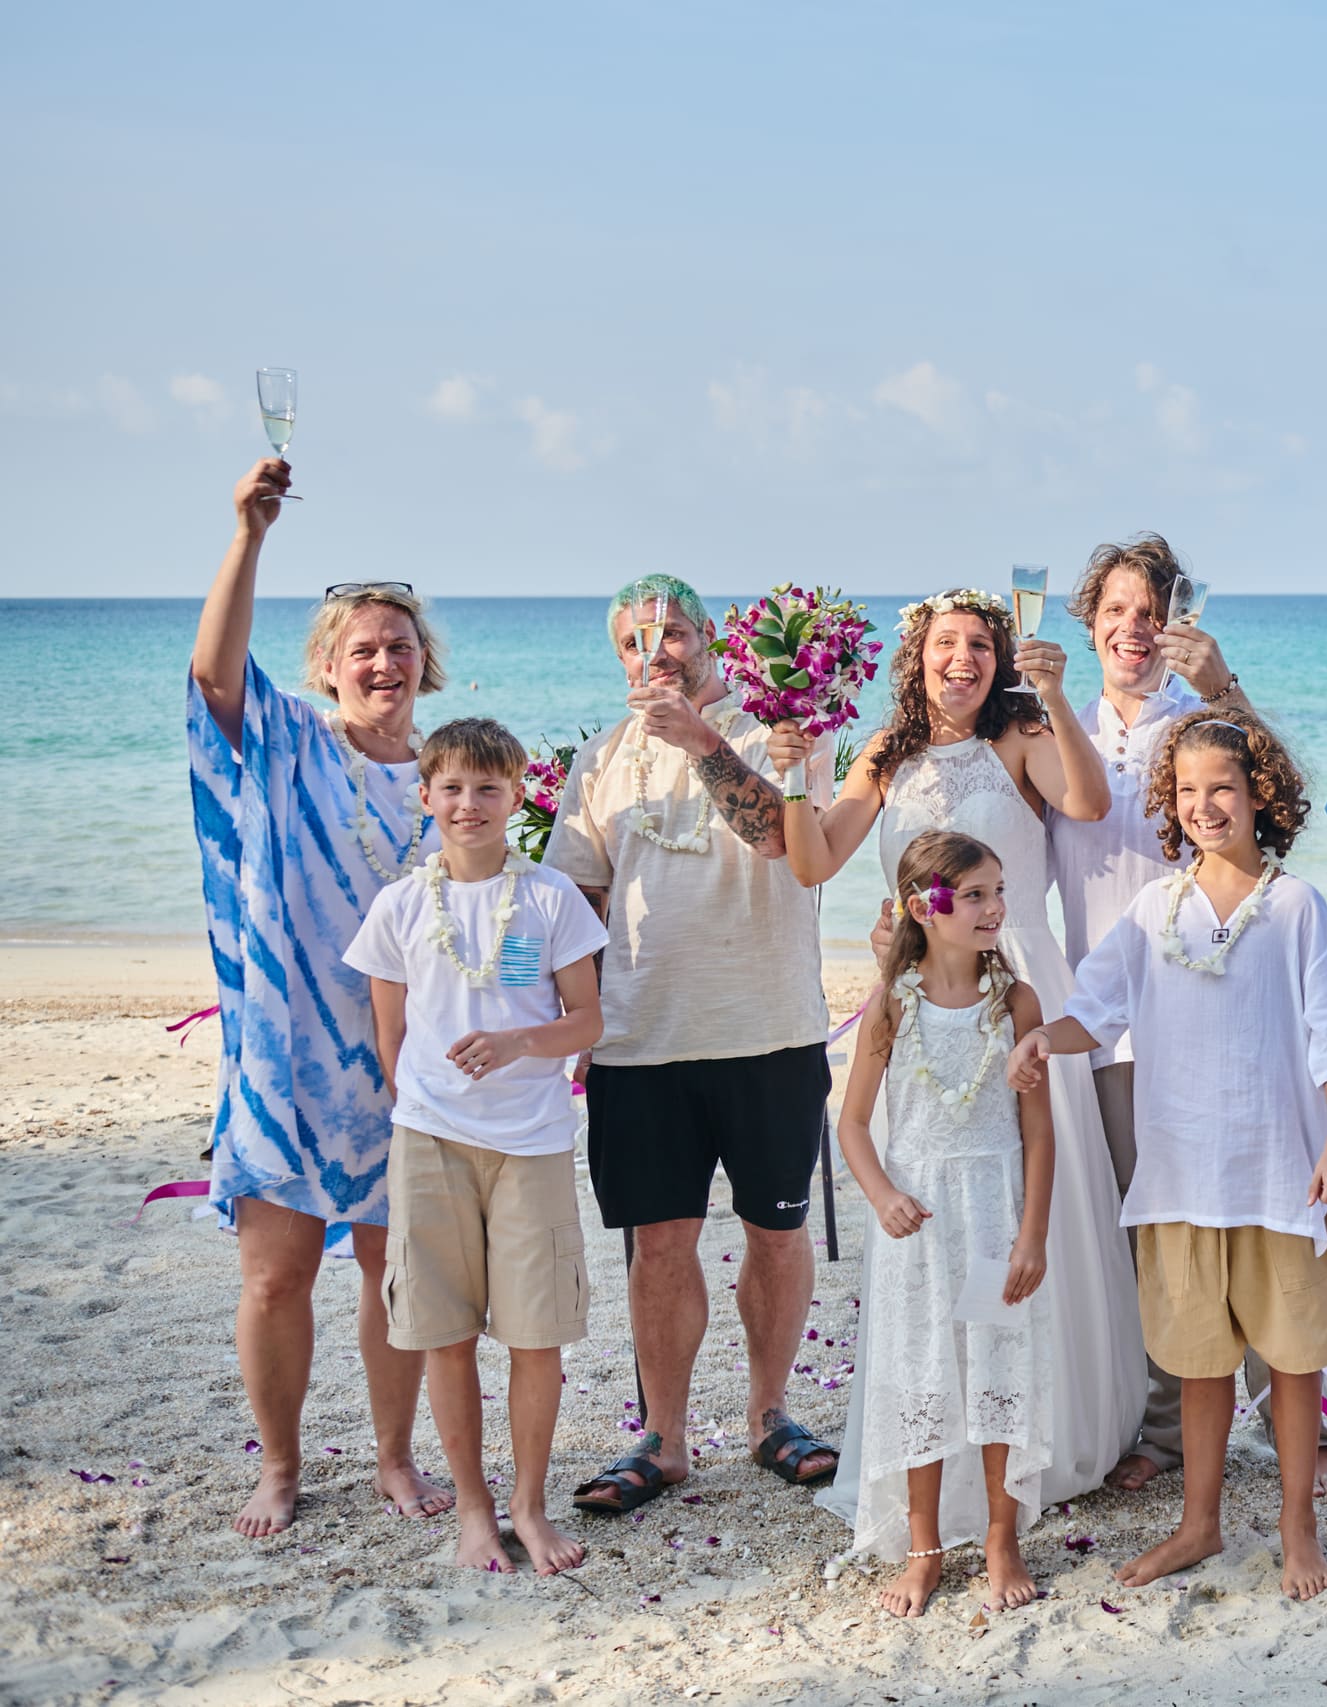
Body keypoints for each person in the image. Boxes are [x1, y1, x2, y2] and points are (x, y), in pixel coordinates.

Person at [767, 590, 1145, 1502]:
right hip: (924, 993)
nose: (963, 660)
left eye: (981, 644)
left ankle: (1053, 1432)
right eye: (947, 644)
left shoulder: (1019, 735)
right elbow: (815, 860)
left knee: (1032, 1193)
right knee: (940, 1197)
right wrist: (790, 774)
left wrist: (1052, 694)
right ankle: (937, 1434)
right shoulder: (886, 756)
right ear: (920, 656)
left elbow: (1089, 801)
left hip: (1022, 984)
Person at [1011, 713, 1327, 1599]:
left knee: (1293, 1359)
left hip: (1280, 1178)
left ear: (1260, 795)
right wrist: (1037, 1041)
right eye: (1186, 791)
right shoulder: (1154, 909)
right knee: (1199, 1361)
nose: (1204, 805)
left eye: (1222, 787)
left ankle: (1298, 1525)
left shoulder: (1294, 906)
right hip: (1180, 1178)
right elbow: (1093, 1011)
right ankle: (1200, 1523)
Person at [1041, 534, 1327, 1494]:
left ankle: (1290, 1395)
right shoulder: (1059, 725)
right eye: (1116, 613)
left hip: (1234, 1002)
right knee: (1162, 1225)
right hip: (1117, 996)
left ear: (1175, 619)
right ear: (1089, 625)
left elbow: (1275, 785)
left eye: (1151, 612)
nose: (1134, 629)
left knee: (1260, 1204)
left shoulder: (1200, 715)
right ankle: (1173, 1427)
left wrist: (1226, 686)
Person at [187, 457, 452, 1537]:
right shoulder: (290, 741)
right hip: (288, 1050)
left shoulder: (451, 775)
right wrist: (248, 534)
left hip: (407, 1062)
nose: (382, 662)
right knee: (276, 1274)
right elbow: (213, 678)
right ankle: (283, 1468)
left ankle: (393, 1459)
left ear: (424, 663)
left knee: (396, 1274)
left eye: (399, 647)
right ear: (327, 668)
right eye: (363, 650)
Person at [542, 574, 841, 1514]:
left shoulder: (784, 733)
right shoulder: (599, 758)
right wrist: (567, 1027)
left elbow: (780, 846)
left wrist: (706, 743)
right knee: (658, 1243)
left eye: (671, 634)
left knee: (776, 1231)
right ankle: (664, 1439)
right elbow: (576, 908)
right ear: (617, 656)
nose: (655, 652)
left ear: (710, 639)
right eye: (635, 641)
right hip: (639, 1042)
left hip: (769, 1028)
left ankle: (770, 1414)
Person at [343, 718, 609, 1574]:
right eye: (452, 788)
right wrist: (430, 1104)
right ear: (426, 798)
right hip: (430, 1142)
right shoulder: (400, 905)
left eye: (488, 789)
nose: (469, 804)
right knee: (443, 1332)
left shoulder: (550, 897)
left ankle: (529, 1506)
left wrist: (518, 1044)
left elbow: (588, 1019)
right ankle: (473, 1506)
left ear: (516, 796)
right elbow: (391, 1036)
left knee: (537, 1336)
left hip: (531, 1143)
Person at [819, 831, 1054, 1618]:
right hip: (916, 1228)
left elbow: (1038, 1134)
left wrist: (1033, 1235)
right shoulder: (894, 1001)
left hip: (992, 1214)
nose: (995, 908)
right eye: (976, 894)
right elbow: (852, 1123)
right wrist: (882, 1193)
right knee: (921, 1371)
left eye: (998, 891)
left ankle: (1000, 1531)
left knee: (994, 1366)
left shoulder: (1016, 1001)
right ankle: (923, 1545)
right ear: (926, 905)